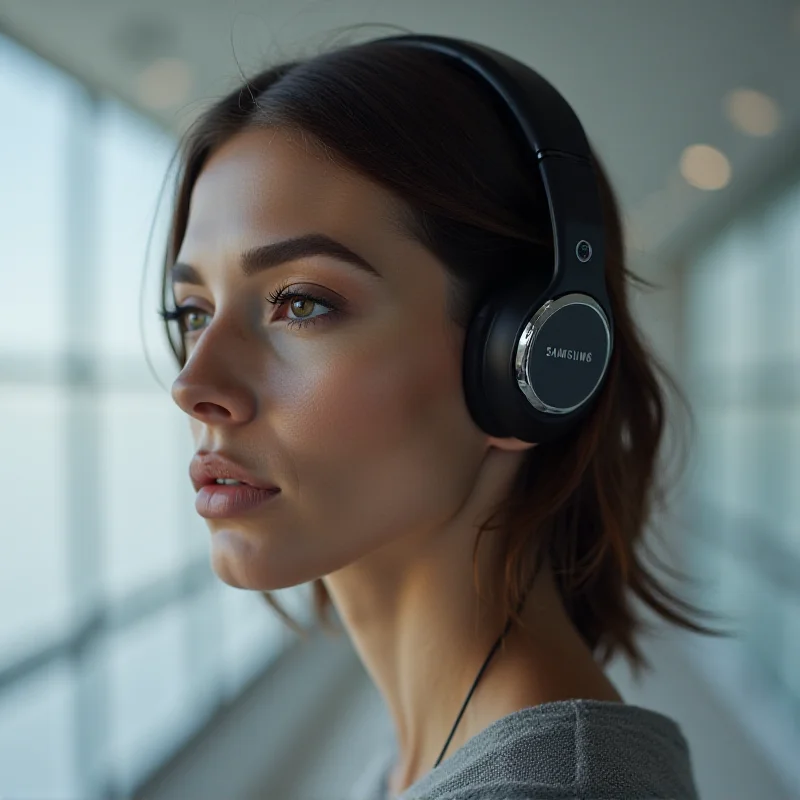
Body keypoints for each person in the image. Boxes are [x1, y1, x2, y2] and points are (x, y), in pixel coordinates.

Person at [157, 31, 728, 800]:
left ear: (528, 359)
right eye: (194, 311)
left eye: (301, 303)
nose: (194, 384)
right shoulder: (442, 757)